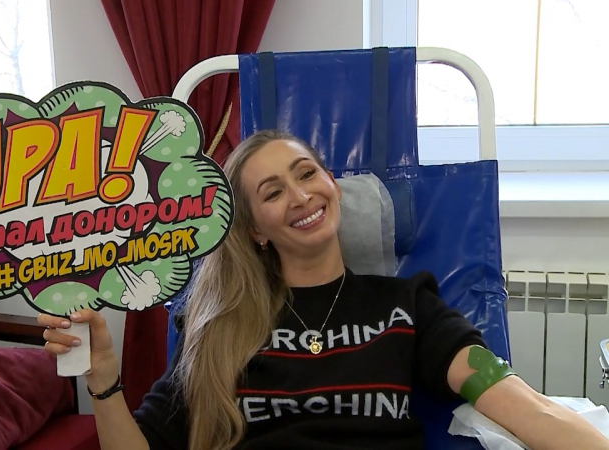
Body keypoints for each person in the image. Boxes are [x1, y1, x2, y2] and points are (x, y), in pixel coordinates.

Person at [38, 130, 609, 450]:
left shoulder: (406, 306)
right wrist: (103, 381)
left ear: (332, 183)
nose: (301, 196)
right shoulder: (217, 327)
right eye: (272, 192)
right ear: (256, 231)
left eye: (307, 173)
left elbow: (519, 402)